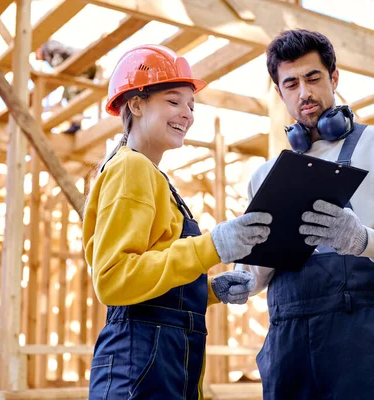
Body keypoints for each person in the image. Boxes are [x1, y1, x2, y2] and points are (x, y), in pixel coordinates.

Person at [235, 30, 374, 399]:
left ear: (334, 78)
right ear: (280, 92)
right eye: (291, 83)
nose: (304, 92)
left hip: (366, 347)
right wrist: (241, 279)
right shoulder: (264, 177)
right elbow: (260, 269)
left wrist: (364, 240)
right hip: (290, 353)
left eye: (313, 78)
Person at [82, 44, 272, 399]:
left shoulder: (153, 177)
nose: (186, 113)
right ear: (136, 105)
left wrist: (208, 290)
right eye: (173, 101)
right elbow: (113, 279)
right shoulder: (131, 168)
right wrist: (213, 245)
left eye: (191, 105)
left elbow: (150, 278)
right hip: (139, 359)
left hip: (164, 355)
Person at [36, 40, 98, 134]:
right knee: (74, 92)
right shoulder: (48, 54)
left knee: (72, 92)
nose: (38, 57)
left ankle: (76, 124)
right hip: (83, 69)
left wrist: (57, 68)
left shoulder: (48, 46)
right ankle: (76, 123)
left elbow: (59, 51)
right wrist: (62, 98)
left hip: (82, 64)